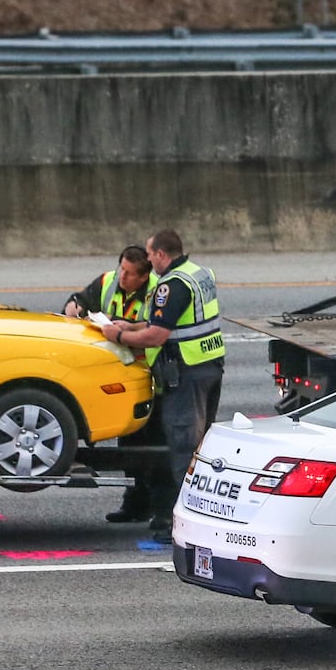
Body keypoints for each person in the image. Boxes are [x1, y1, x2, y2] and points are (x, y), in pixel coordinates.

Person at [100, 229, 224, 537]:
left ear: (160, 255)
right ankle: (200, 517)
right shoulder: (199, 273)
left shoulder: (172, 284)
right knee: (199, 447)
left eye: (150, 254)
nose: (150, 260)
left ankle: (186, 526)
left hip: (186, 373)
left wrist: (119, 335)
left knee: (183, 449)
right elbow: (170, 319)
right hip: (208, 366)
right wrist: (133, 324)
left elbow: (157, 335)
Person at [65, 245, 166, 524]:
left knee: (156, 445)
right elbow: (81, 299)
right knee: (130, 444)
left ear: (144, 277)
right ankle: (135, 506)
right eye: (122, 269)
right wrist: (74, 307)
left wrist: (126, 329)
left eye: (131, 274)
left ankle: (162, 510)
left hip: (151, 374)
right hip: (121, 376)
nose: (123, 277)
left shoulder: (160, 290)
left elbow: (160, 328)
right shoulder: (108, 281)